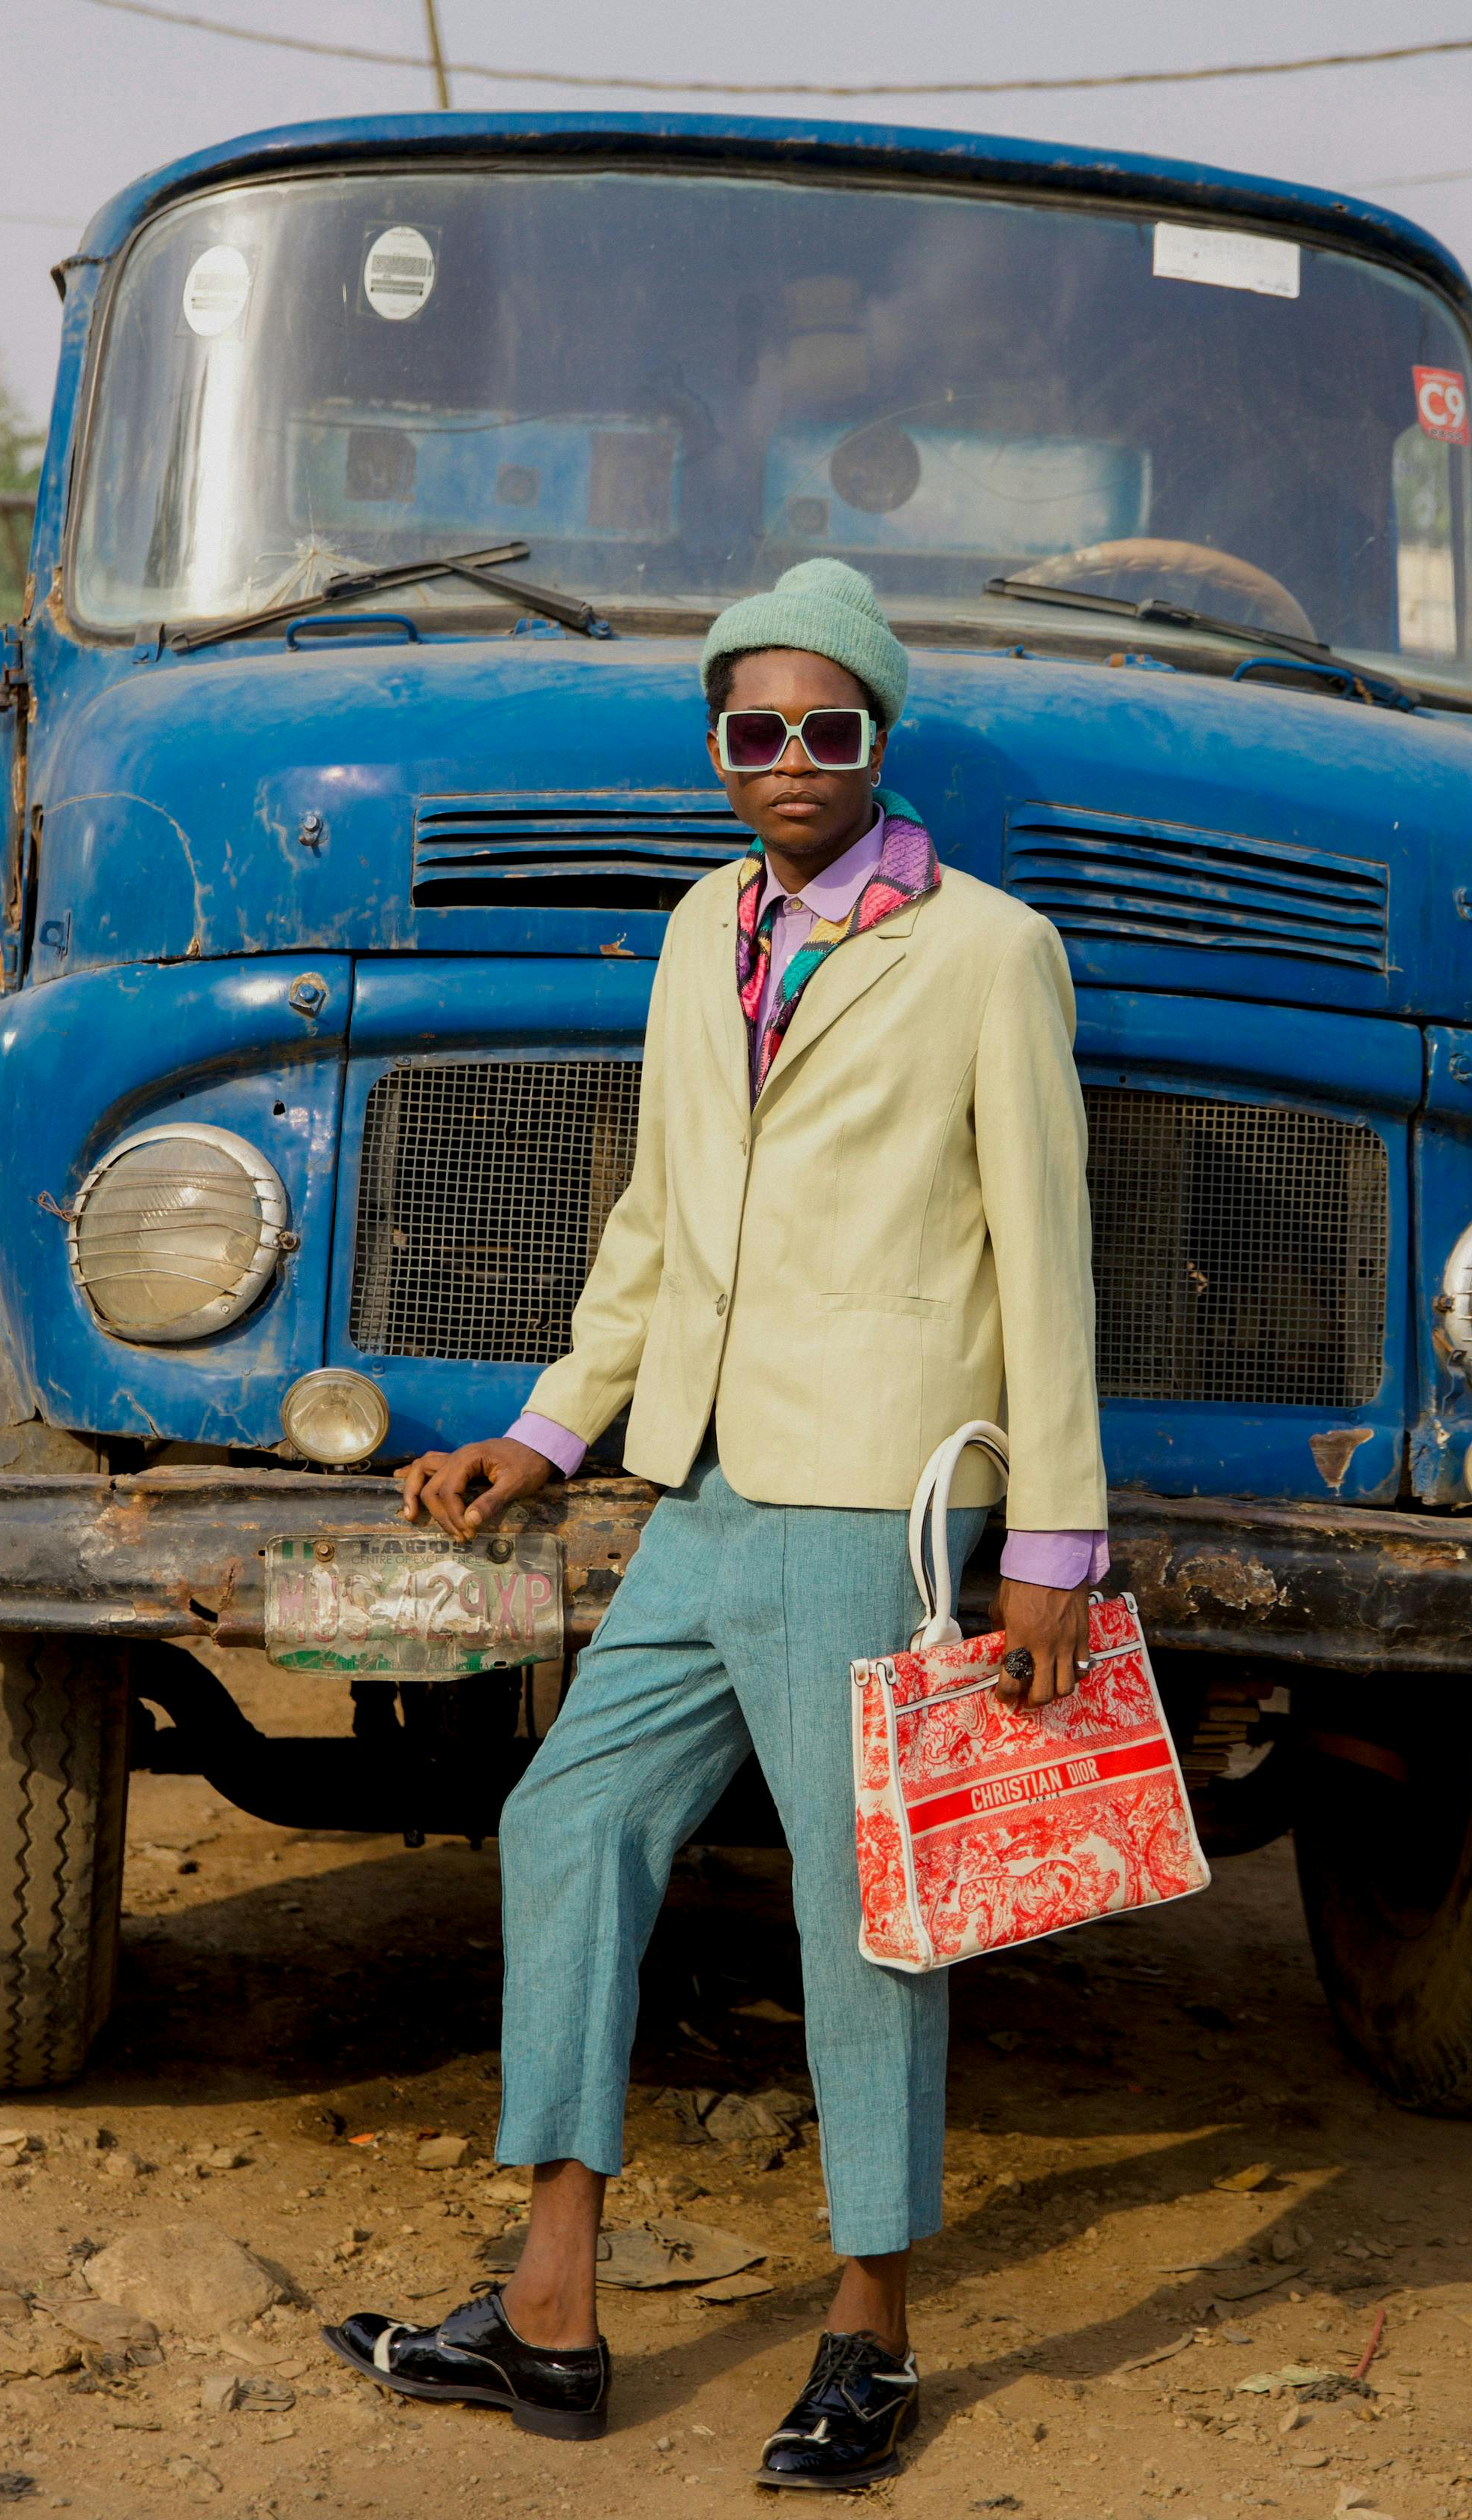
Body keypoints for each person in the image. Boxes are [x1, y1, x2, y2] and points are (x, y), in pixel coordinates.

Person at [322, 559, 1108, 2490]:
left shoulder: (988, 951)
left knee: (867, 1908)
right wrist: (548, 1430)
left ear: (879, 740)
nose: (791, 759)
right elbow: (661, 1219)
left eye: (827, 727)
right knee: (568, 1819)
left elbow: (1049, 1254)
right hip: (703, 1480)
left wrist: (1055, 1543)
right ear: (718, 749)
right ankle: (554, 2311)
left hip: (870, 1496)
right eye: (756, 729)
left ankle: (872, 2335)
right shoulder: (702, 929)